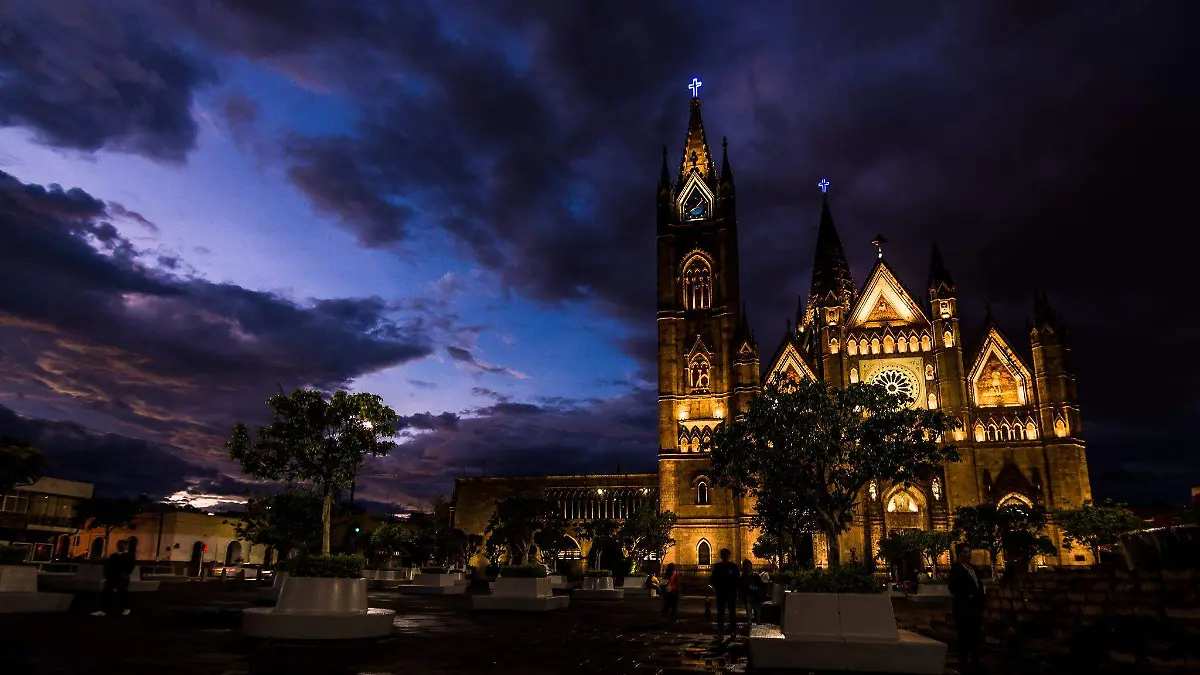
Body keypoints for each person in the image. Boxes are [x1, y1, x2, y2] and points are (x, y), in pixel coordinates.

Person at [949, 543, 986, 673]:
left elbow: (979, 585)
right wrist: (968, 594)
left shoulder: (974, 569)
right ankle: (963, 666)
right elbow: (953, 588)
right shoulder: (956, 569)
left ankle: (975, 664)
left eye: (969, 552)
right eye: (965, 552)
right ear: (959, 554)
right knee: (964, 639)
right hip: (963, 609)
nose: (968, 554)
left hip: (975, 609)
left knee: (976, 639)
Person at [92, 539, 135, 617]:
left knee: (122, 593)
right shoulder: (114, 555)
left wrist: (126, 573)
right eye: (119, 545)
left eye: (122, 545)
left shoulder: (129, 556)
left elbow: (131, 565)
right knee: (106, 592)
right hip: (113, 577)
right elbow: (108, 565)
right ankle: (102, 610)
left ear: (126, 546)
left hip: (122, 577)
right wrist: (107, 574)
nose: (120, 546)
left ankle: (125, 608)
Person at [709, 548, 740, 639]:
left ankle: (732, 631)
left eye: (726, 555)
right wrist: (715, 587)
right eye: (723, 555)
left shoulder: (733, 567)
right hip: (721, 593)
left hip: (730, 593)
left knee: (731, 613)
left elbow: (737, 580)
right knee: (721, 613)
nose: (724, 557)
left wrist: (736, 592)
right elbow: (713, 579)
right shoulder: (718, 566)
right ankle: (720, 632)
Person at [739, 559, 763, 626]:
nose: (748, 568)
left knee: (756, 608)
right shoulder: (744, 577)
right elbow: (741, 587)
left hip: (755, 595)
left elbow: (760, 584)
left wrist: (756, 588)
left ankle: (757, 620)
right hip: (749, 595)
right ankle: (752, 620)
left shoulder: (754, 576)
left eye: (749, 566)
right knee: (750, 608)